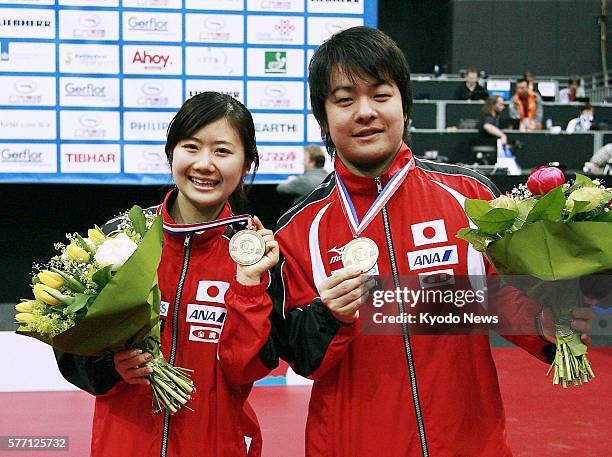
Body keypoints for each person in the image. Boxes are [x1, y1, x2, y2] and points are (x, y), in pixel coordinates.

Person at [272, 26, 595, 456]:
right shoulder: (298, 228)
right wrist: (331, 315)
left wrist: (551, 322)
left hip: (468, 443)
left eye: (381, 95)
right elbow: (302, 357)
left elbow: (499, 300)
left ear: (405, 105)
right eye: (345, 99)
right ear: (323, 118)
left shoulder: (471, 198)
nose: (365, 111)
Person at [55, 92, 281, 457]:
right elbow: (72, 350)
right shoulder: (121, 238)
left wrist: (249, 285)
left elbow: (247, 369)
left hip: (214, 443)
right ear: (171, 152)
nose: (204, 164)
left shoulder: (257, 255)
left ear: (246, 163)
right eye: (191, 147)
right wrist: (113, 368)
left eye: (222, 151)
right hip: (124, 442)